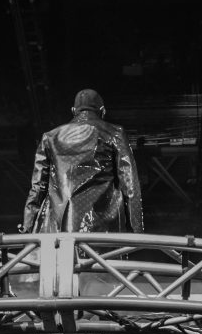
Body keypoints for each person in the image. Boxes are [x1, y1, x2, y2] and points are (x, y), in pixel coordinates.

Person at [22, 89, 143, 233]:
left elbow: (37, 188)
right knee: (102, 256)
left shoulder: (50, 137)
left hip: (56, 229)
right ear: (103, 111)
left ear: (73, 111)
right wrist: (137, 230)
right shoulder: (114, 133)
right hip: (101, 229)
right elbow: (130, 184)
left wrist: (27, 227)